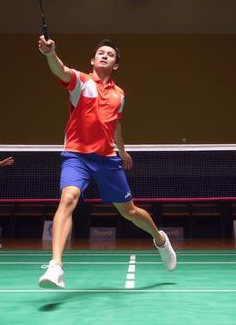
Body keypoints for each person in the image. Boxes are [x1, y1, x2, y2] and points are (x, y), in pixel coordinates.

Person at [36, 36, 176, 289]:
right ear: (92, 60)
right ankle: (56, 265)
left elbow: (115, 124)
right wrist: (50, 54)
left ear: (116, 65)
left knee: (129, 211)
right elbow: (61, 69)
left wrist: (122, 151)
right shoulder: (81, 81)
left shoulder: (119, 95)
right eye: (100, 53)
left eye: (110, 55)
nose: (104, 56)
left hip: (107, 159)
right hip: (76, 155)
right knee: (68, 198)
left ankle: (160, 239)